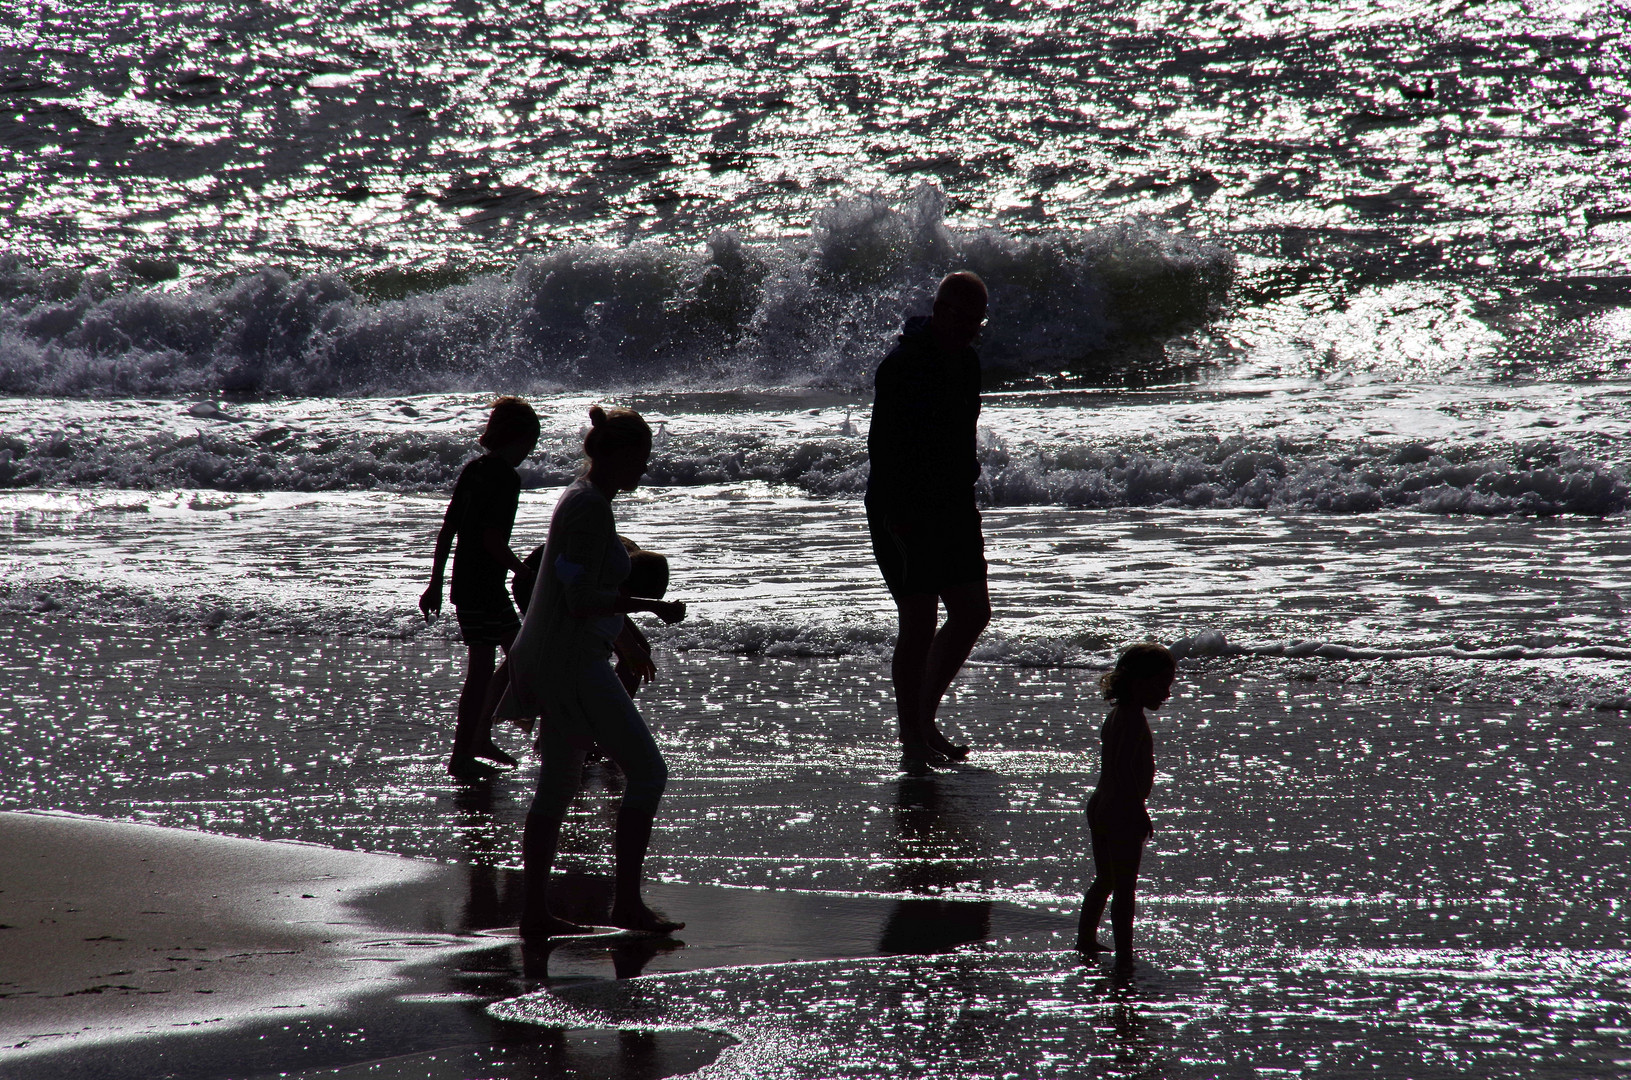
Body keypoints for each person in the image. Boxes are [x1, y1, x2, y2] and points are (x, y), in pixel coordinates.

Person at [499, 405, 687, 938]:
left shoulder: (580, 497)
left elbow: (571, 587)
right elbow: (580, 600)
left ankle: (535, 913)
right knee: (648, 772)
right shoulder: (589, 508)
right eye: (641, 458)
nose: (644, 469)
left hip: (564, 656)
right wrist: (649, 606)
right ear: (618, 454)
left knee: (557, 785)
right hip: (572, 661)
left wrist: (624, 634)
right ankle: (625, 905)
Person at [865, 270, 992, 762]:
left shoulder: (969, 362)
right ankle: (913, 736)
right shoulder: (902, 365)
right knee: (918, 619)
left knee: (972, 611)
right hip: (903, 507)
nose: (968, 330)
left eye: (977, 322)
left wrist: (965, 488)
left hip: (953, 505)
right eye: (960, 318)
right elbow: (885, 448)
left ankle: (924, 720)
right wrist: (902, 514)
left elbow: (962, 437)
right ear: (939, 310)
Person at [419, 396, 540, 779]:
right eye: (529, 443)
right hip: (485, 588)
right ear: (517, 438)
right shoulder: (506, 477)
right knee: (517, 656)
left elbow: (448, 530)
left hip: (466, 585)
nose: (529, 452)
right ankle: (464, 752)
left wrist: (435, 584)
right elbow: (491, 539)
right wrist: (524, 572)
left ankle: (478, 740)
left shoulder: (473, 470)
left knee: (505, 660)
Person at [1076, 642, 1176, 972]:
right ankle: (1124, 955)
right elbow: (1122, 769)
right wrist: (1139, 810)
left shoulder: (1117, 714)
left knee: (1105, 879)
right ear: (1138, 683)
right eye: (1161, 685)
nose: (1167, 693)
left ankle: (1086, 938)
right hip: (1121, 809)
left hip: (1100, 804)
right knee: (1125, 889)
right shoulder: (1133, 720)